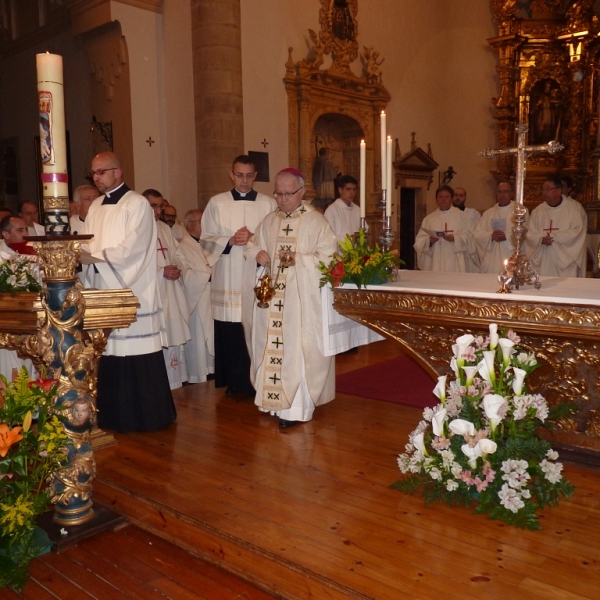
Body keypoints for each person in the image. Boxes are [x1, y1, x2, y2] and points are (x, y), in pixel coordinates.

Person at [79, 151, 176, 433]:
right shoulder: (95, 206)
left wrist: (97, 259)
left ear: (118, 172)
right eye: (93, 173)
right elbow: (87, 241)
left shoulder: (137, 205)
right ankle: (112, 415)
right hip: (102, 286)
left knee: (137, 352)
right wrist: (84, 258)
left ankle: (148, 415)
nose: (96, 178)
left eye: (101, 172)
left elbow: (134, 249)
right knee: (109, 353)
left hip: (132, 288)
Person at [243, 168, 338, 429]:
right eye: (278, 193)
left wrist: (300, 259)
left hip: (300, 303)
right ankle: (271, 403)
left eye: (288, 193)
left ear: (302, 192)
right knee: (270, 346)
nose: (282, 199)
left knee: (297, 349)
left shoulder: (316, 222)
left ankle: (296, 409)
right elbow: (251, 244)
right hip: (272, 300)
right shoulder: (269, 220)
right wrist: (257, 253)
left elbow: (331, 258)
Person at [200, 155, 276, 396]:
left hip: (256, 276)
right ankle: (236, 384)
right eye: (240, 175)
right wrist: (230, 240)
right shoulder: (217, 202)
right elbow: (206, 239)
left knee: (257, 328)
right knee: (232, 331)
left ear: (255, 176)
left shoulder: (269, 204)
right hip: (228, 275)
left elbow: (275, 237)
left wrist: (254, 237)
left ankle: (260, 381)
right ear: (232, 175)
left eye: (250, 175)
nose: (244, 180)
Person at [143, 189, 191, 390]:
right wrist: (161, 272)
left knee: (173, 333)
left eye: (160, 206)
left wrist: (177, 267)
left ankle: (173, 379)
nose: (158, 210)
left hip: (170, 290)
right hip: (152, 294)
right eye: (153, 205)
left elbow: (179, 254)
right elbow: (135, 265)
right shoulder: (136, 229)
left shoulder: (164, 228)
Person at [525, 176, 587, 278]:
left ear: (559, 191)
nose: (545, 192)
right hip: (543, 257)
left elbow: (578, 231)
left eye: (548, 189)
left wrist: (555, 237)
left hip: (565, 259)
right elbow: (530, 233)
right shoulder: (538, 211)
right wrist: (541, 239)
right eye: (543, 189)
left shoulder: (574, 208)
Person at [179, 209, 215, 384]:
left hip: (212, 298)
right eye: (202, 220)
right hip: (197, 300)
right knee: (199, 338)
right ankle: (199, 373)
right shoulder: (183, 246)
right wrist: (208, 275)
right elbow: (185, 275)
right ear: (189, 224)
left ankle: (214, 369)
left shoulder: (209, 244)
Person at [413, 185, 479, 273]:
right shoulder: (429, 219)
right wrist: (429, 241)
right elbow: (419, 241)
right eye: (440, 197)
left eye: (446, 197)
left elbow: (471, 236)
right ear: (436, 200)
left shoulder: (462, 216)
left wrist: (455, 238)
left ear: (451, 199)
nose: (443, 199)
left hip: (455, 261)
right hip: (436, 260)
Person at [474, 181, 527, 274]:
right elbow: (477, 233)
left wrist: (506, 236)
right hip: (492, 258)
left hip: (510, 254)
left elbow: (525, 232)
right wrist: (490, 236)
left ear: (511, 194)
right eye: (499, 192)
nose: (502, 195)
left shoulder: (520, 211)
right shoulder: (488, 213)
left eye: (506, 191)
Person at [324, 175, 362, 246]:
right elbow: (327, 236)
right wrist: (348, 240)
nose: (352, 192)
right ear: (340, 190)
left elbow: (365, 231)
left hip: (357, 253)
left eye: (354, 189)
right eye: (348, 189)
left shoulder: (358, 209)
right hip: (339, 254)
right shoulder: (332, 210)